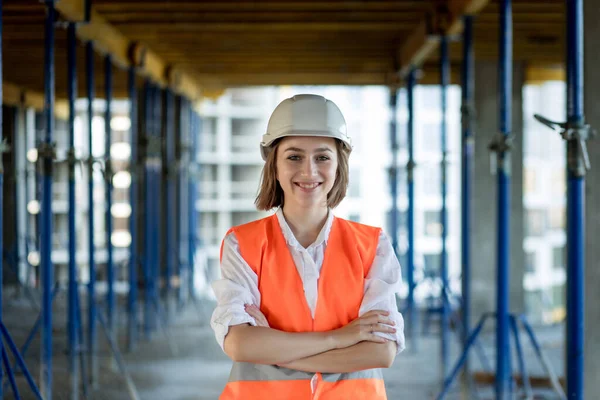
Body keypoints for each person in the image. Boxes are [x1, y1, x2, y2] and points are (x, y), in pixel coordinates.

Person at [210, 94, 405, 399]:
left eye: (322, 157)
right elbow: (239, 344)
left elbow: (381, 353)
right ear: (273, 164)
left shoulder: (372, 245)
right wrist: (342, 338)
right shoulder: (242, 243)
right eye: (294, 156)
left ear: (339, 164)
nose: (309, 171)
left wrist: (273, 349)